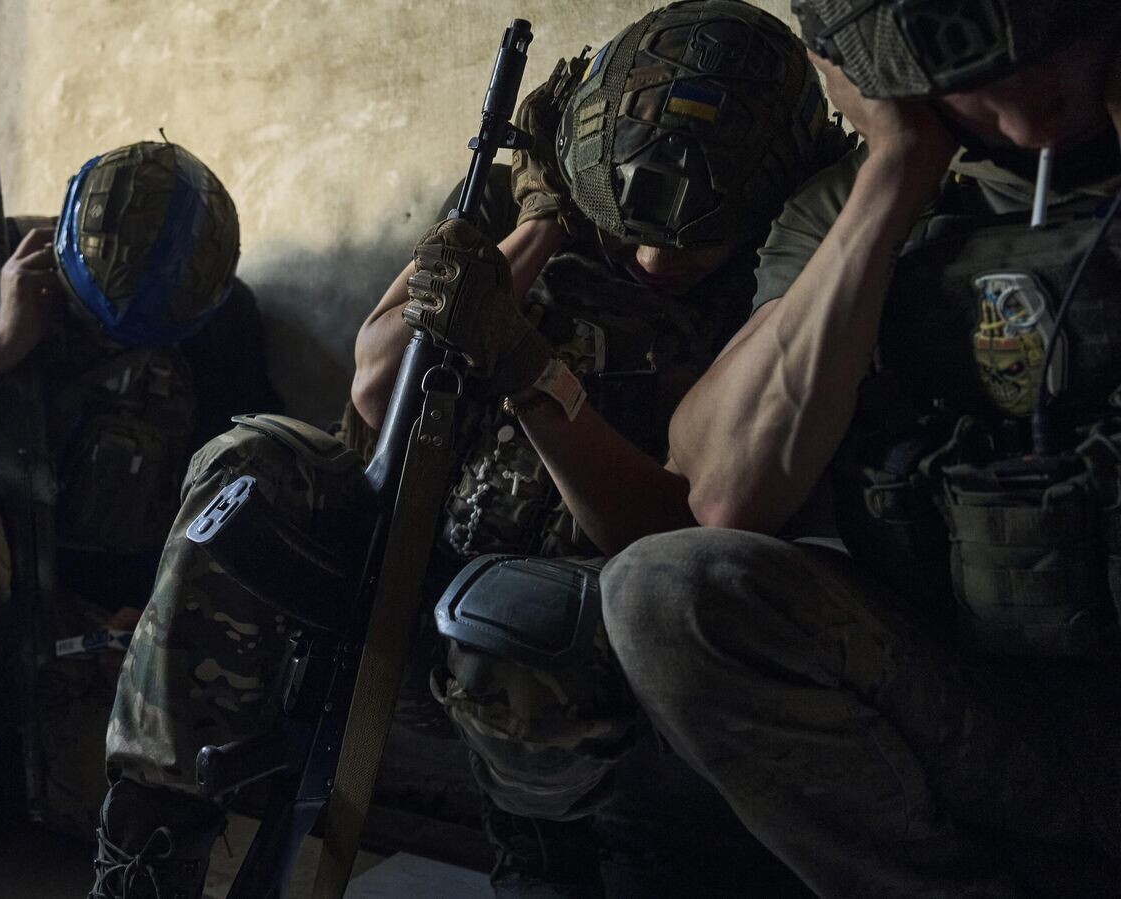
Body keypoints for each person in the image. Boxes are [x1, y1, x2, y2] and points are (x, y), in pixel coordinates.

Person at [84, 3, 854, 897]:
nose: (654, 255)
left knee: (519, 621)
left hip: (555, 617)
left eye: (696, 235)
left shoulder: (775, 276)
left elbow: (672, 525)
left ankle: (539, 859)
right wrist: (544, 222)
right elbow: (378, 383)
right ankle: (149, 841)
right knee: (244, 465)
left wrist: (525, 364)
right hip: (406, 540)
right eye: (630, 218)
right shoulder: (526, 197)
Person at [587, 1, 1121, 896]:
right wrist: (897, 169)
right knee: (664, 589)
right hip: (980, 702)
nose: (1026, 112)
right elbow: (723, 493)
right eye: (973, 78)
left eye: (1054, 49)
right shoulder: (851, 198)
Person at [0, 140, 275, 858]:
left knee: (108, 816)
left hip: (92, 618)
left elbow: (229, 492)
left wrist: (153, 610)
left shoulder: (222, 316)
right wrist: (4, 339)